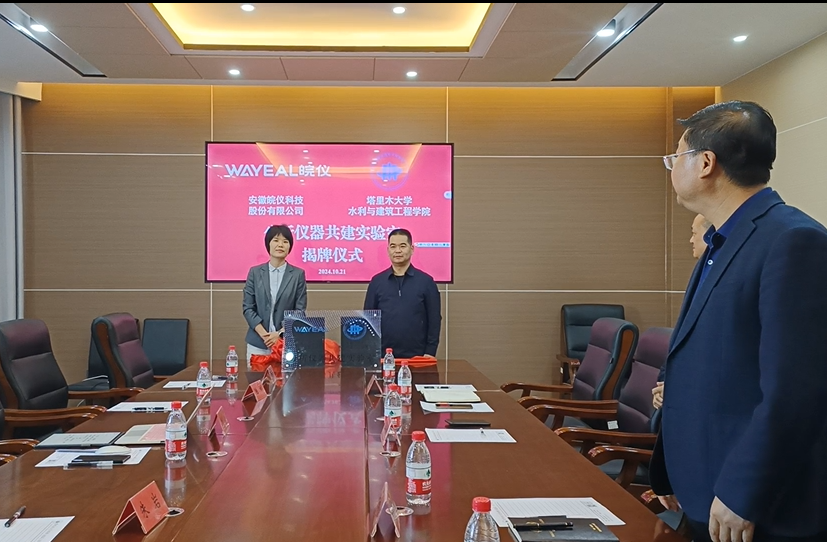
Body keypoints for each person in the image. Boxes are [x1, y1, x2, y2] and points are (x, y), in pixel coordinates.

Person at [650, 101, 827, 542]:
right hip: (703, 485)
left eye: (676, 157)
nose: (671, 167)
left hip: (754, 505)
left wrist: (743, 491)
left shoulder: (793, 241)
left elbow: (797, 389)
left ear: (705, 163)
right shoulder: (722, 241)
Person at [651, 212, 711, 409]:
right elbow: (678, 344)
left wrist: (678, 387)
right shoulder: (700, 273)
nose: (691, 240)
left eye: (694, 233)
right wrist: (665, 384)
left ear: (711, 235)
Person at [364, 228, 441, 359]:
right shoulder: (377, 282)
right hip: (383, 356)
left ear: (412, 249)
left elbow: (434, 319)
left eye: (402, 246)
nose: (397, 250)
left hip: (418, 356)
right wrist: (371, 351)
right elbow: (369, 319)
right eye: (393, 246)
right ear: (388, 250)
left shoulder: (426, 282)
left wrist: (430, 351)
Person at [242, 224, 308, 366]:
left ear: (289, 247)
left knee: (285, 380)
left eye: (285, 241)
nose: (280, 245)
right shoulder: (255, 273)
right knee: (256, 380)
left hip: (285, 344)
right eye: (276, 240)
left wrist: (279, 334)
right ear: (268, 244)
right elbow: (248, 308)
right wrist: (264, 335)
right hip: (257, 343)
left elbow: (299, 312)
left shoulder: (298, 275)